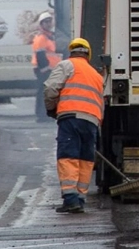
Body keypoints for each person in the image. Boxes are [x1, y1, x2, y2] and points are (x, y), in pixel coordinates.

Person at [44, 37, 104, 214]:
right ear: (88, 55)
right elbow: (101, 103)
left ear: (71, 52)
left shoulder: (66, 65)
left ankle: (70, 200)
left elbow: (50, 89)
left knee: (68, 156)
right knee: (86, 160)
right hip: (92, 120)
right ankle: (79, 198)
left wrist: (51, 109)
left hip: (70, 118)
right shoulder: (96, 75)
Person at [32, 12, 63, 122]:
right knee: (43, 92)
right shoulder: (41, 38)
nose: (49, 24)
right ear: (41, 24)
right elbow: (40, 55)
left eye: (50, 21)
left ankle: (45, 113)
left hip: (50, 69)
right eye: (46, 22)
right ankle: (41, 115)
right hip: (44, 69)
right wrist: (45, 70)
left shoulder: (50, 36)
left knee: (47, 91)